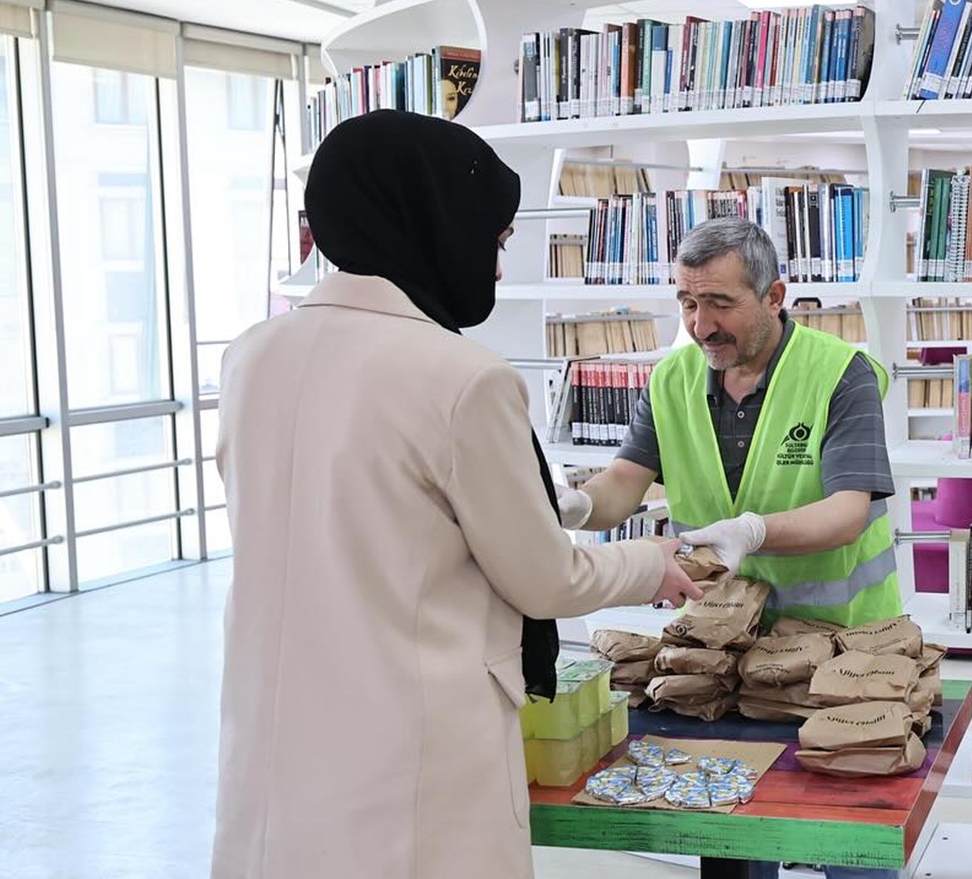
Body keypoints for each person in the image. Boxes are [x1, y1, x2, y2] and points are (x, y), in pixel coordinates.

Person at [209, 109, 701, 879]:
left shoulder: (252, 357)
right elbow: (547, 578)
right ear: (432, 219)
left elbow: (370, 506)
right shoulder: (458, 375)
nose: (497, 268)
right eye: (495, 239)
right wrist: (648, 561)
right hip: (409, 745)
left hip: (278, 739)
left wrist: (560, 503)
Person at [573, 218, 901, 879]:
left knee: (847, 837)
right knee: (727, 828)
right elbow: (621, 486)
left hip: (844, 659)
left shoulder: (841, 373)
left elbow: (846, 513)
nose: (700, 326)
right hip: (722, 655)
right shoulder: (669, 381)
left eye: (720, 303)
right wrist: (575, 503)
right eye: (688, 303)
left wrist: (753, 531)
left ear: (775, 294)